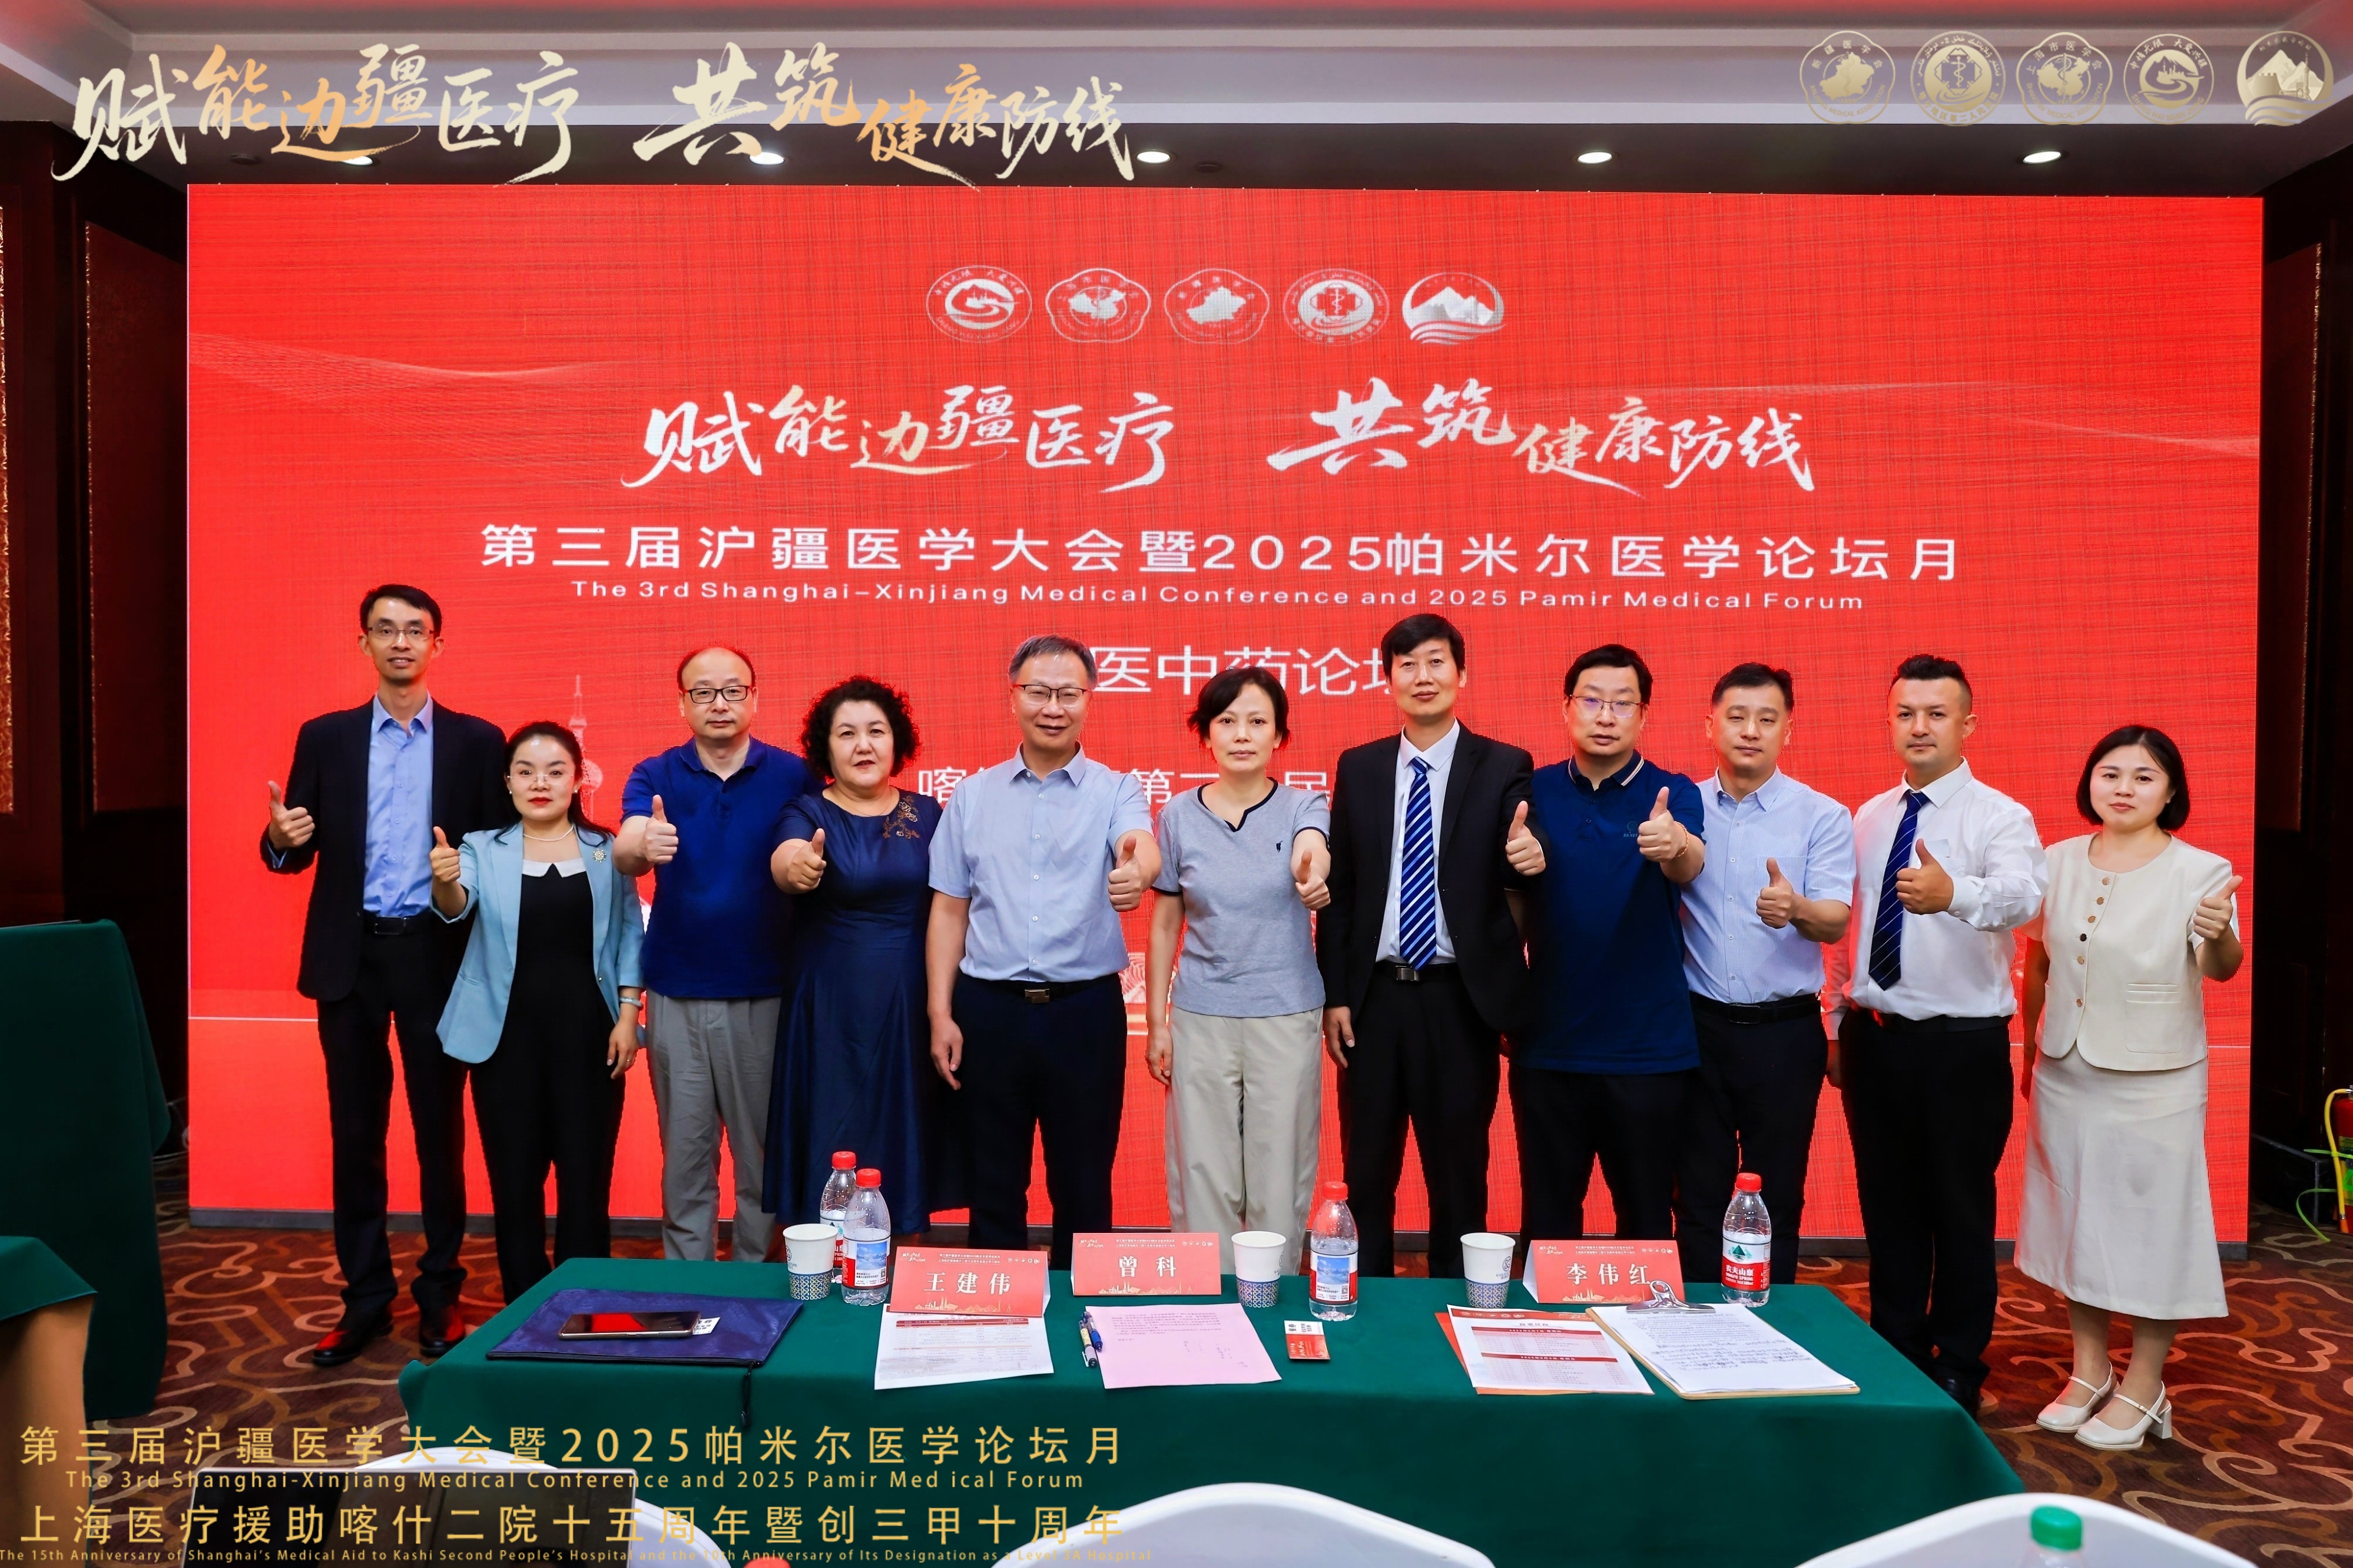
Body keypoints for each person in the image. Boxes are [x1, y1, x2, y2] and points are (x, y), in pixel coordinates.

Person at [260, 584, 509, 1365]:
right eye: (385, 629)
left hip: (436, 955)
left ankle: (440, 1291)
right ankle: (365, 1296)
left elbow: (499, 852)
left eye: (415, 630)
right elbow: (292, 846)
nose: (401, 641)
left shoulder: (477, 741)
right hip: (351, 957)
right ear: (362, 642)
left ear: (438, 644)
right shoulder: (326, 737)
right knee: (356, 1134)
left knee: (440, 1132)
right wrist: (279, 838)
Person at [1831, 654, 2047, 1413]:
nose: (1918, 726)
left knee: (1959, 1209)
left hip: (1962, 1047)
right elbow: (1851, 932)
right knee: (1888, 1206)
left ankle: (1958, 1359)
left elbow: (2024, 897)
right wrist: (1836, 1021)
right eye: (1905, 713)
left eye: (1936, 713)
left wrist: (1955, 892)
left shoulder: (1999, 815)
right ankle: (1896, 1345)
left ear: (1967, 724)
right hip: (1875, 1040)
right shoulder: (1869, 816)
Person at [2017, 727, 2239, 1451]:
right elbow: (2039, 962)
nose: (2123, 788)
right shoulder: (2054, 861)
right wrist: (2029, 1046)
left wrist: (2219, 931)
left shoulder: (2202, 871)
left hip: (2157, 1078)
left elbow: (2222, 966)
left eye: (2144, 777)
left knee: (2152, 1224)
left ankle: (2146, 1382)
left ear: (2171, 791)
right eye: (2109, 773)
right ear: (2089, 781)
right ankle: (2090, 1370)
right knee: (2075, 1215)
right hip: (2066, 1066)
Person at [1317, 615, 1546, 1278]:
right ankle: (1361, 1302)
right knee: (1366, 1170)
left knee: (1460, 1172)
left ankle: (1457, 1306)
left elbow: (1522, 856)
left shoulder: (1503, 764)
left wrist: (1530, 856)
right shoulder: (1360, 767)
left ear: (1461, 674)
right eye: (1407, 664)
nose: (1423, 676)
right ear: (1388, 679)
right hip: (1374, 998)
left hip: (1460, 1000)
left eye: (1437, 661)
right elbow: (1342, 891)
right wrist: (1336, 994)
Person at [926, 635, 1160, 1268]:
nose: (1053, 707)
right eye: (1038, 691)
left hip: (1084, 1013)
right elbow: (948, 909)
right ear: (1014, 698)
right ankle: (999, 1315)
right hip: (988, 1011)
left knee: (1084, 1183)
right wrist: (941, 1013)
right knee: (993, 1182)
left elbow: (1140, 845)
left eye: (1068, 693)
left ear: (1089, 699)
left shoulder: (1117, 789)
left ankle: (1081, 1319)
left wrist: (1137, 871)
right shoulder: (973, 795)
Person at [432, 723, 644, 1304]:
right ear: (508, 781)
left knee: (586, 1182)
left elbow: (630, 934)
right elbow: (455, 907)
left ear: (578, 780)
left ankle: (583, 1307)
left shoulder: (608, 850)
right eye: (525, 771)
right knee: (515, 1184)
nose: (540, 782)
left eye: (555, 770)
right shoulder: (480, 847)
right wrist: (443, 879)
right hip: (504, 1043)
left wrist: (629, 1014)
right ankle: (523, 1310)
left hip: (591, 1039)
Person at [617, 648, 811, 1265]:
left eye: (733, 690)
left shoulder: (794, 774)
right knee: (685, 1158)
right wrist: (643, 844)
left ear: (755, 698)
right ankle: (690, 1289)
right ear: (683, 704)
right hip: (677, 993)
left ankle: (756, 1286)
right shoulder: (655, 773)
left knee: (763, 1161)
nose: (719, 703)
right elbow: (626, 848)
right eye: (703, 692)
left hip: (767, 993)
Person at [1513, 644, 1705, 1248]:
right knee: (1547, 1224)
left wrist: (1674, 843)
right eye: (1592, 700)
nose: (1605, 716)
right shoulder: (1533, 790)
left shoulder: (1673, 792)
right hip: (1549, 1046)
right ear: (1566, 707)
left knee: (1646, 1223)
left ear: (1644, 715)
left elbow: (1690, 862)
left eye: (1623, 704)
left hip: (1647, 1050)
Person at [1672, 663, 1855, 1287]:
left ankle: (1771, 1323)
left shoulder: (1822, 815)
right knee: (1695, 1190)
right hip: (1696, 1028)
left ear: (1787, 730)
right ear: (1710, 725)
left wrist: (1796, 907)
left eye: (1767, 718)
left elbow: (1834, 921)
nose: (1751, 730)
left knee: (1777, 1192)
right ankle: (1698, 1320)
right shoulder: (1684, 808)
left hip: (1784, 1032)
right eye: (1737, 716)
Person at [1145, 667, 1333, 1272]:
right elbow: (1165, 923)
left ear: (1280, 734)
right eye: (1227, 721)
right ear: (1206, 733)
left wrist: (1312, 871)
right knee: (1202, 1170)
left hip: (1285, 1012)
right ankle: (1211, 1300)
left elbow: (1313, 847)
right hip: (1201, 1014)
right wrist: (1157, 1022)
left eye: (1257, 721)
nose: (1242, 734)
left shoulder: (1304, 804)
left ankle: (1270, 1295)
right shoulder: (1178, 814)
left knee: (1280, 1169)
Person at [765, 677, 944, 1234]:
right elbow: (787, 859)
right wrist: (798, 866)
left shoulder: (929, 813)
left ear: (897, 741)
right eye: (847, 734)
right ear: (826, 746)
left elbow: (956, 904)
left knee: (902, 1134)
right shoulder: (805, 810)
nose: (863, 745)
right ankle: (823, 1260)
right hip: (827, 1008)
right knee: (831, 1135)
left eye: (876, 731)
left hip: (910, 1002)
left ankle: (901, 1261)